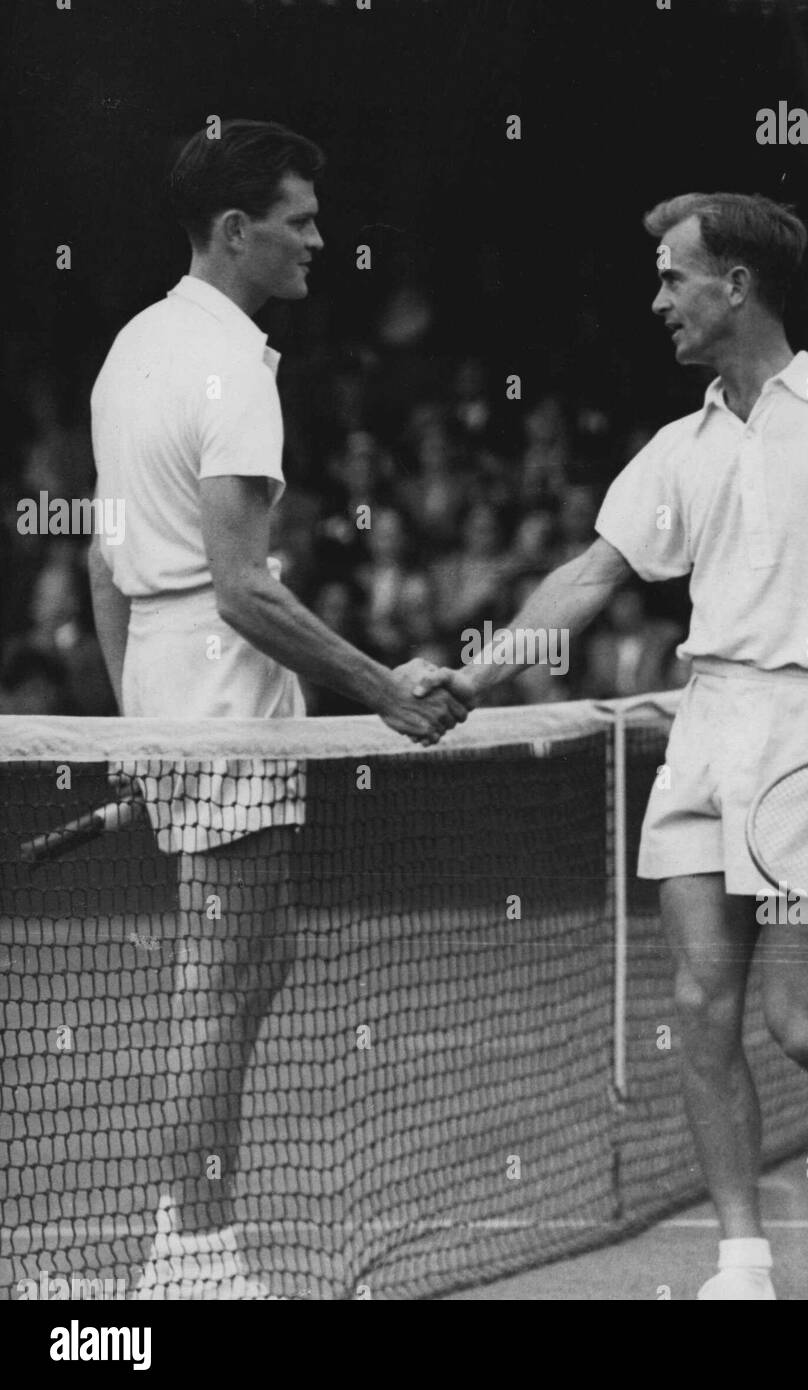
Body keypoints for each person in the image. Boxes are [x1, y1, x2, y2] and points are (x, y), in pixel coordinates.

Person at [420, 192, 808, 1300]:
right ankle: (741, 1263)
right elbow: (589, 576)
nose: (657, 297)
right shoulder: (678, 444)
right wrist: (473, 676)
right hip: (705, 724)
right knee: (695, 1007)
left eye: (674, 275)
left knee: (802, 1022)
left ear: (736, 285)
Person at [88, 119, 469, 1300]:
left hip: (163, 674)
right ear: (235, 231)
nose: (320, 239)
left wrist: (135, 728)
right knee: (224, 975)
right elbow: (247, 589)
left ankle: (184, 1242)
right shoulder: (235, 367)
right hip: (221, 676)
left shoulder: (130, 351)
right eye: (300, 221)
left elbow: (108, 569)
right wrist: (386, 687)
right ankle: (192, 1257)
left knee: (251, 962)